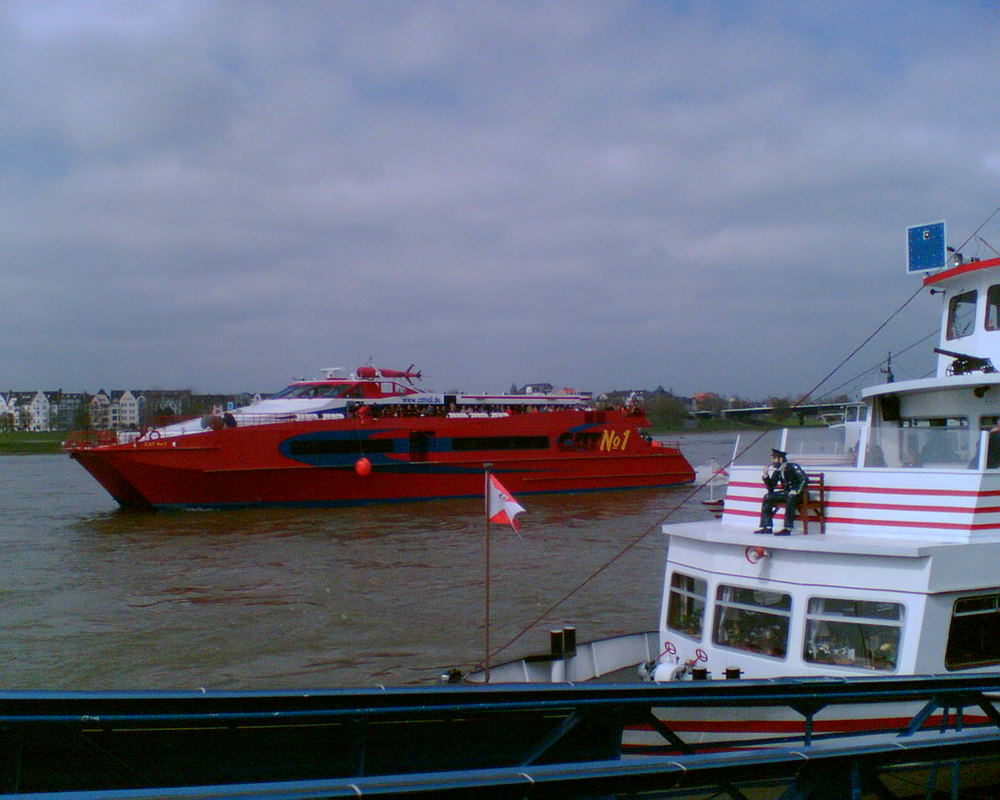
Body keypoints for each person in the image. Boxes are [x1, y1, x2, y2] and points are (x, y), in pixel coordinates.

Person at [755, 448, 809, 535]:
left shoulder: (792, 466)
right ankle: (767, 527)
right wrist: (766, 475)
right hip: (787, 495)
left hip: (799, 496)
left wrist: (796, 490)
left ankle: (787, 528)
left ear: (781, 459)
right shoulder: (778, 471)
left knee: (790, 497)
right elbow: (771, 488)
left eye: (775, 458)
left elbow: (804, 479)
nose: (773, 461)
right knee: (768, 497)